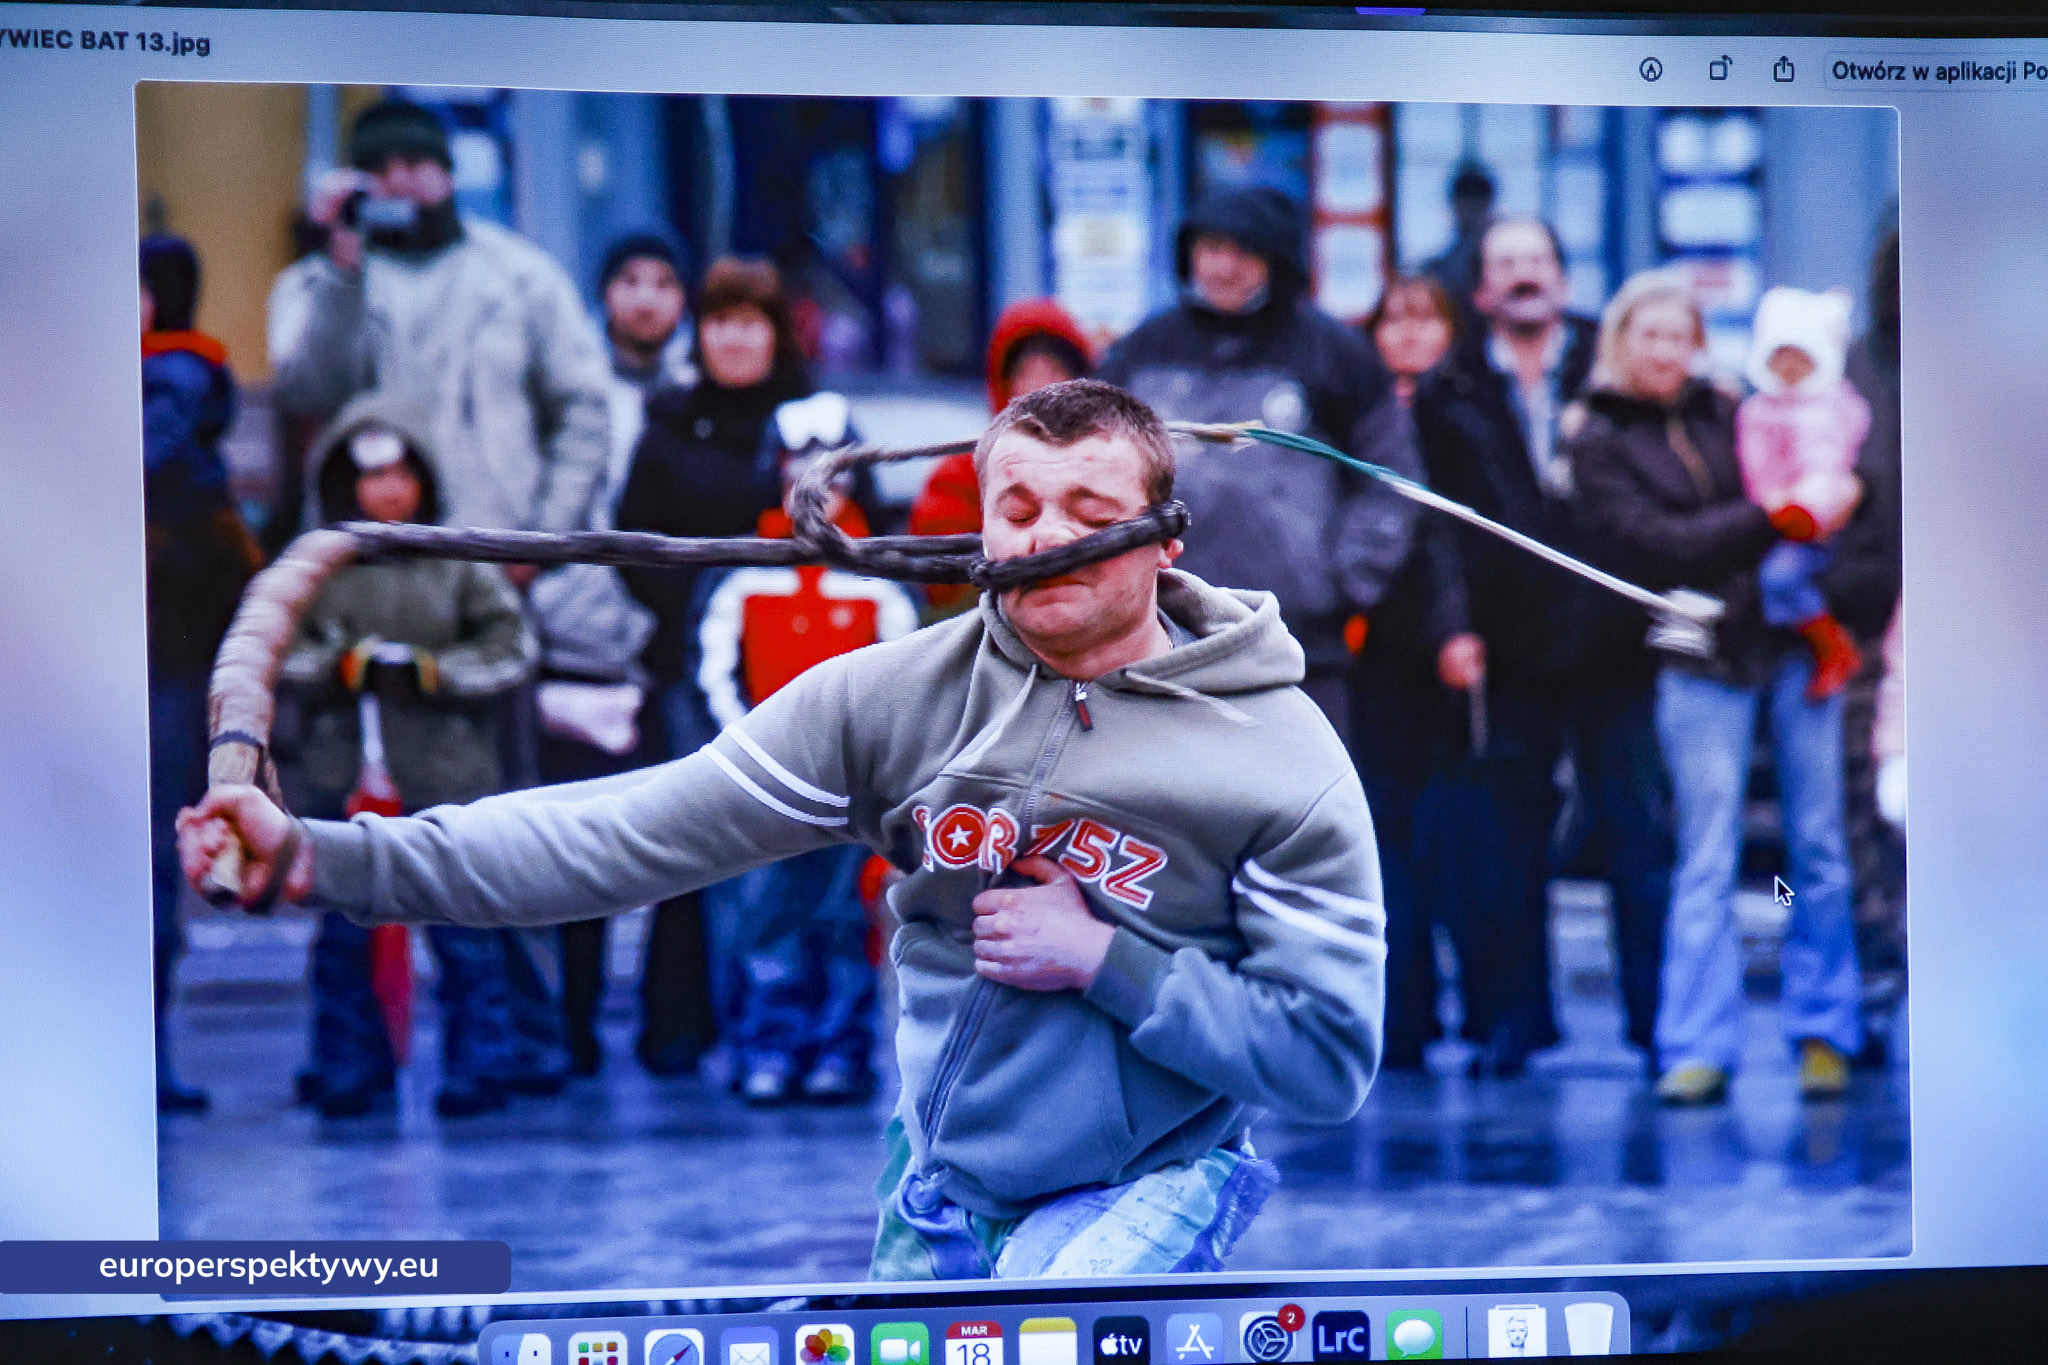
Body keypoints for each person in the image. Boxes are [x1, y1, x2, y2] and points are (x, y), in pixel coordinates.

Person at [180, 379, 1385, 1281]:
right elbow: (616, 833)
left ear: (1165, 538)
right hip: (938, 1185)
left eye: (1088, 506)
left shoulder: (1274, 755)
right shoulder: (892, 701)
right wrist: (314, 855)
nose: (1044, 534)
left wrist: (1105, 961)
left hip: (1146, 1182)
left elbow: (1326, 1060)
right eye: (1015, 504)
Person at [1568, 270, 1863, 1105]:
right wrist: (1777, 512)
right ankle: (1697, 1042)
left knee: (1815, 849)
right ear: (1621, 341)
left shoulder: (1735, 406)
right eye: (1648, 334)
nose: (1666, 351)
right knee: (1707, 852)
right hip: (1699, 659)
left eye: (1680, 334)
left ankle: (1823, 1027)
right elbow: (1659, 546)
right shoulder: (1597, 439)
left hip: (1791, 646)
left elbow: (1831, 464)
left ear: (1701, 343)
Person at [1410, 217, 1673, 1078]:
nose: (1524, 277)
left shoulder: (1613, 359)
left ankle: (1651, 1024)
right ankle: (1519, 1021)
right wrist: (1452, 628)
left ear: (1563, 278)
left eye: (1538, 262)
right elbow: (1436, 526)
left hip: (1613, 641)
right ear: (1482, 290)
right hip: (1508, 647)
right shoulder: (1449, 387)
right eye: (1505, 265)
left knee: (1636, 838)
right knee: (1507, 847)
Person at [275, 393, 539, 1118]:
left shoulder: (457, 562)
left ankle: (481, 1062)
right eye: (371, 474)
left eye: (401, 472)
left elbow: (510, 647)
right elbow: (274, 647)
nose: (388, 488)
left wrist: (433, 671)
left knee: (462, 934)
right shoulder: (314, 566)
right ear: (342, 482)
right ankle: (345, 1065)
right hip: (343, 780)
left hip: (443, 778)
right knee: (340, 938)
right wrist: (340, 664)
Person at [1098, 184, 1419, 741]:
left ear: (1276, 260)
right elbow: (1094, 469)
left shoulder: (1335, 355)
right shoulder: (1140, 353)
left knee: (1303, 807)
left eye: (1243, 252)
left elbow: (1389, 476)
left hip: (1299, 642)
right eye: (1211, 248)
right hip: (1160, 630)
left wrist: (1347, 579)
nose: (1224, 266)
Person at [611, 256, 814, 1075]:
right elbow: (630, 540)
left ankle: (789, 1027)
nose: (733, 337)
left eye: (750, 321)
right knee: (691, 838)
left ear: (776, 333)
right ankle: (683, 1023)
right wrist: (693, 615)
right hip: (690, 663)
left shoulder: (814, 422)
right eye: (720, 320)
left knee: (796, 848)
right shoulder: (671, 421)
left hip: (799, 659)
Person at [267, 97, 612, 545]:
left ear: (448, 171)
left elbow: (583, 408)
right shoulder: (316, 284)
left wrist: (546, 537)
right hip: (367, 557)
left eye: (414, 160)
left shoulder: (522, 275)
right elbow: (306, 392)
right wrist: (343, 276)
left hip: (499, 552)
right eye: (377, 167)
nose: (398, 179)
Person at [695, 433, 919, 1104]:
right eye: (800, 478)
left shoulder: (877, 579)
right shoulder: (745, 573)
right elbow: (712, 674)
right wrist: (752, 747)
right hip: (764, 783)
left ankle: (842, 1050)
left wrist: (874, 761)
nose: (818, 497)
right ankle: (767, 1045)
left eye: (834, 482)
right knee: (763, 917)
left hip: (853, 789)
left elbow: (904, 678)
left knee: (843, 920)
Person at [140, 234, 263, 1113]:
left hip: (157, 667)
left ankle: (138, 1055)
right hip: (147, 667)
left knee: (140, 859)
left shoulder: (168, 392)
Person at [1351, 275, 1483, 1070]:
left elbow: (1450, 536)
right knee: (1383, 835)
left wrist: (1457, 627)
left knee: (1452, 840)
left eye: (1423, 319)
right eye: (1391, 319)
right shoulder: (1363, 414)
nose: (1406, 334)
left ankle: (1466, 1006)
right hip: (1375, 650)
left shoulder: (1459, 412)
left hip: (1449, 645)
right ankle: (1405, 1014)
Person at [1735, 286, 1873, 701]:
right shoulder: (1756, 412)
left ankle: (1830, 645)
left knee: (1780, 579)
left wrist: (1819, 505)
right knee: (1775, 582)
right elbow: (1756, 466)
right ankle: (1823, 643)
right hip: (1778, 520)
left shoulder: (1836, 405)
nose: (1792, 368)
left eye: (1803, 357)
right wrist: (1773, 504)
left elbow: (1836, 466)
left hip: (1822, 523)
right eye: (1783, 356)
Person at [911, 298, 1093, 611]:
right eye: (1025, 373)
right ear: (1004, 384)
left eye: (1053, 371)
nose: (1040, 387)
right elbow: (942, 582)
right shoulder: (961, 474)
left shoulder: (1107, 466)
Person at [595, 231, 697, 526]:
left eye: (664, 284)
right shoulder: (572, 384)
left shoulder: (701, 386)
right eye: (629, 281)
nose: (645, 300)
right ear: (605, 292)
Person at [1421, 161, 1497, 336]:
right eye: (1464, 202)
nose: (1469, 210)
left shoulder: (1504, 264)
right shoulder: (1437, 269)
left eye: (1476, 203)